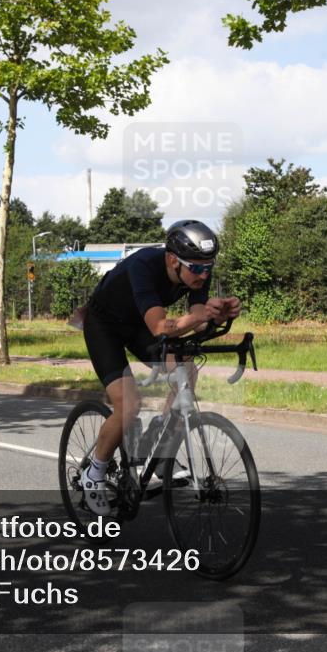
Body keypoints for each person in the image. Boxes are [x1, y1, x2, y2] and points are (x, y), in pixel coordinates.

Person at [81, 220, 241, 515]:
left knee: (186, 371)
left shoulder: (197, 269)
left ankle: (156, 444)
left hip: (138, 327)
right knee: (129, 405)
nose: (203, 274)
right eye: (196, 268)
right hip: (104, 326)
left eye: (209, 267)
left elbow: (196, 315)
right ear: (172, 259)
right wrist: (203, 315)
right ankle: (94, 473)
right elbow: (159, 326)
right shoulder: (143, 266)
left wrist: (216, 315)